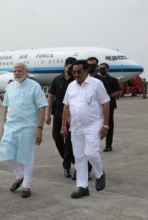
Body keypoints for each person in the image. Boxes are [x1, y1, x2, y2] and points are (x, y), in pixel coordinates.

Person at [61, 60, 110, 199]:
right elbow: (66, 106)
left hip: (93, 125)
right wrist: (64, 126)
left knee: (91, 152)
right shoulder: (71, 86)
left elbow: (106, 104)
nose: (76, 75)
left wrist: (105, 125)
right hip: (76, 127)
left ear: (86, 71)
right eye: (74, 72)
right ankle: (82, 187)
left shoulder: (96, 84)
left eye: (79, 72)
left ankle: (100, 173)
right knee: (79, 157)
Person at [0, 63, 48, 198]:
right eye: (14, 71)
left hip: (28, 127)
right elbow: (6, 107)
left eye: (20, 71)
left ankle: (26, 185)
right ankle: (18, 175)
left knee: (26, 157)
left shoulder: (34, 86)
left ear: (26, 72)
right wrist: (3, 126)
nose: (17, 73)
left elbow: (42, 108)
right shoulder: (10, 87)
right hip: (10, 126)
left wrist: (40, 129)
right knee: (7, 153)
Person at [46, 57, 76, 179]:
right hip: (58, 113)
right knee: (57, 138)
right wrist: (48, 114)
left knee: (69, 141)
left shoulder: (75, 81)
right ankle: (69, 159)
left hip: (72, 115)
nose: (70, 70)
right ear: (65, 65)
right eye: (69, 67)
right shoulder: (57, 79)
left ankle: (66, 165)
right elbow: (50, 96)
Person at [99, 63, 122, 152]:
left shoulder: (113, 80)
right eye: (100, 68)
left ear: (108, 69)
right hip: (97, 106)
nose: (102, 70)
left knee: (108, 125)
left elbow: (119, 92)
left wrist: (109, 95)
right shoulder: (96, 79)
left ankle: (108, 145)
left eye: (103, 68)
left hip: (109, 105)